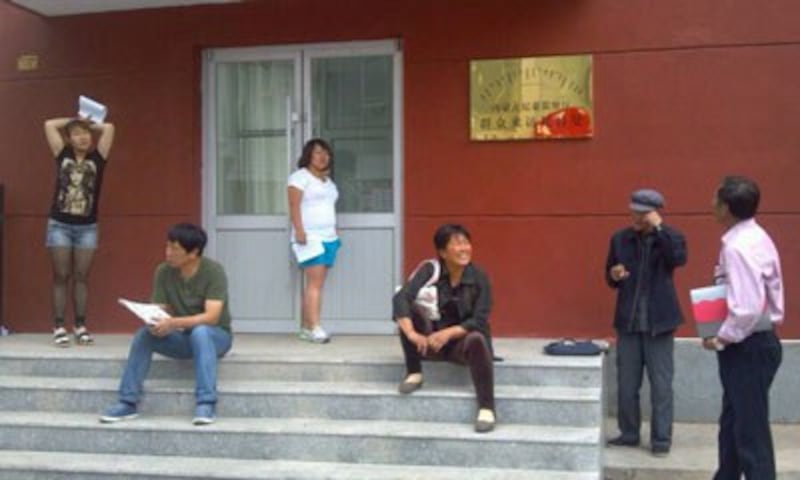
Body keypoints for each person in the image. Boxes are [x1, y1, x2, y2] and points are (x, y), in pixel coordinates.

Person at [100, 223, 233, 426]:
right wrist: (155, 320)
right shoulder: (163, 271)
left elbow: (212, 317)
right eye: (167, 246)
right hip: (182, 336)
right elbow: (161, 310)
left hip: (216, 338)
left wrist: (173, 322)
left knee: (201, 332)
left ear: (193, 252)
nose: (168, 253)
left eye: (175, 249)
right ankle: (127, 402)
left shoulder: (213, 271)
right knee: (144, 334)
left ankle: (206, 402)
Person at [703, 176, 783, 480]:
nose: (711, 204)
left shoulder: (737, 247)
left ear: (726, 207)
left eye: (715, 199)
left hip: (747, 347)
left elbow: (747, 308)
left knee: (750, 434)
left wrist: (722, 338)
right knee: (734, 424)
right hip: (755, 345)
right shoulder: (756, 236)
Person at [605, 189, 687, 457]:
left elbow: (678, 259)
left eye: (642, 212)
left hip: (659, 323)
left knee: (661, 384)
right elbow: (609, 275)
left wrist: (659, 228)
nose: (635, 217)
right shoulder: (620, 239)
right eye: (633, 211)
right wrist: (615, 274)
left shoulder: (670, 237)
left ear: (654, 213)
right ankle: (629, 433)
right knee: (627, 384)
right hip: (628, 322)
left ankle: (661, 439)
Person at [393, 224, 496, 433]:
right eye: (457, 244)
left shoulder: (479, 277)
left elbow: (480, 319)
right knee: (408, 309)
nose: (464, 248)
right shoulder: (430, 270)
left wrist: (448, 333)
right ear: (442, 252)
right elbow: (401, 298)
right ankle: (414, 372)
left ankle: (487, 408)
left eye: (466, 243)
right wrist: (413, 334)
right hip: (431, 344)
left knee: (476, 338)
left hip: (462, 346)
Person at [44, 116, 115, 347]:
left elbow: (109, 128)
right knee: (61, 276)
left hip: (87, 227)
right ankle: (58, 326)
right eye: (76, 133)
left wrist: (87, 123)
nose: (82, 137)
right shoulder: (62, 154)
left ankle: (81, 325)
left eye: (85, 133)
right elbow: (49, 124)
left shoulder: (99, 157)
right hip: (59, 225)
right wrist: (75, 120)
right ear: (69, 138)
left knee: (82, 277)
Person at [288, 138, 341, 343]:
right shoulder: (299, 178)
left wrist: (335, 231)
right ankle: (315, 327)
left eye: (326, 153)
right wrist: (300, 231)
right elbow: (294, 206)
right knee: (315, 284)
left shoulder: (328, 182)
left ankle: (305, 327)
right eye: (318, 152)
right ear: (308, 155)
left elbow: (329, 207)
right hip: (310, 237)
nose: (322, 157)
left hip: (329, 237)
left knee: (316, 284)